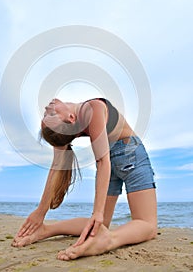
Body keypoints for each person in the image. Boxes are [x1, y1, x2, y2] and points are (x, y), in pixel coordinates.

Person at [12, 97, 157, 261]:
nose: (47, 108)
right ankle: (110, 239)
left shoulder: (67, 130)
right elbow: (101, 161)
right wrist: (41, 212)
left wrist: (41, 212)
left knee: (100, 224)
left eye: (46, 113)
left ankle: (46, 230)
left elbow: (57, 167)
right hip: (128, 153)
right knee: (147, 224)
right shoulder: (92, 108)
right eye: (51, 113)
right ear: (71, 118)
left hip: (109, 159)